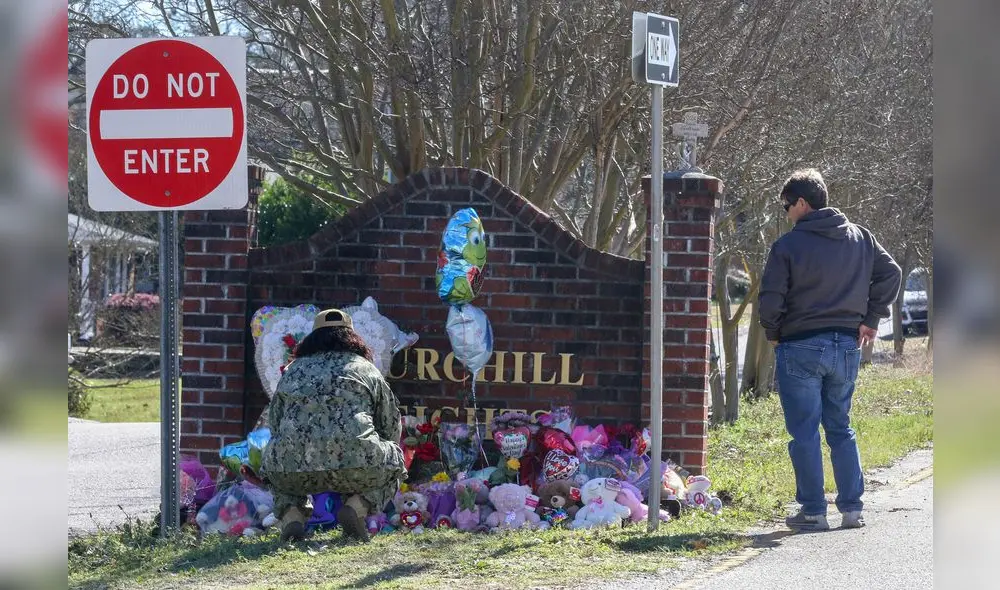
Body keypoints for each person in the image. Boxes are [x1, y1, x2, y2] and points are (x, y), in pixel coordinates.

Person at [759, 168, 901, 531]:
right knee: (840, 427)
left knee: (804, 431)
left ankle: (813, 510)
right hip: (847, 346)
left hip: (800, 345)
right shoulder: (861, 237)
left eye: (787, 205)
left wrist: (773, 332)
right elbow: (892, 273)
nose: (787, 212)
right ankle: (852, 509)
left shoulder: (787, 246)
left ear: (803, 204)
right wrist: (871, 318)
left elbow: (771, 298)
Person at [259, 308, 406, 542]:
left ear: (312, 339)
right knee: (396, 459)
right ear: (353, 338)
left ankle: (292, 516)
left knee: (273, 460)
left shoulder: (293, 370)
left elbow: (275, 424)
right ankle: (356, 507)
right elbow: (389, 425)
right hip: (357, 464)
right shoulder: (366, 369)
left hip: (291, 468)